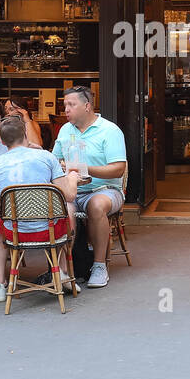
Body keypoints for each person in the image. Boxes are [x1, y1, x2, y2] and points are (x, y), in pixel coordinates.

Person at [0, 114, 82, 302]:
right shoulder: (45, 157)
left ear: (2, 141)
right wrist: (72, 178)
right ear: (25, 134)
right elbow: (69, 195)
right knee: (68, 209)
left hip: (15, 232)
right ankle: (62, 271)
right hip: (49, 229)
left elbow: (1, 203)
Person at [52, 86, 127, 289]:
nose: (65, 109)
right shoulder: (65, 130)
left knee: (96, 205)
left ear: (87, 106)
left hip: (105, 189)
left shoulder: (109, 130)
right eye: (64, 105)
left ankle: (99, 265)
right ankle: (65, 268)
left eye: (71, 104)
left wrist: (84, 169)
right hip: (72, 190)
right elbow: (55, 160)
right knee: (59, 207)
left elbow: (118, 169)